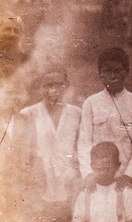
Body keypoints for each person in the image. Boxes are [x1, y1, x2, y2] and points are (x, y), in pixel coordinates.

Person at [12, 67, 82, 220]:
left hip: (68, 183)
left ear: (67, 85)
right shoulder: (28, 114)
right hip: (39, 182)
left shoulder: (76, 113)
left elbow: (81, 147)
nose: (53, 90)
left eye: (58, 85)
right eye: (47, 85)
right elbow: (21, 153)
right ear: (40, 86)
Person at [78, 48, 132, 193]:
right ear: (100, 74)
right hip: (97, 176)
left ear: (126, 72)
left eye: (118, 71)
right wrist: (89, 174)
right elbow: (84, 143)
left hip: (126, 175)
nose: (113, 76)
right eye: (107, 71)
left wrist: (129, 175)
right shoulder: (91, 103)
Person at [72, 142, 132, 222]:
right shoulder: (85, 193)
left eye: (108, 169)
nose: (103, 173)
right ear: (92, 167)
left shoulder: (124, 192)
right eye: (99, 169)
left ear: (117, 166)